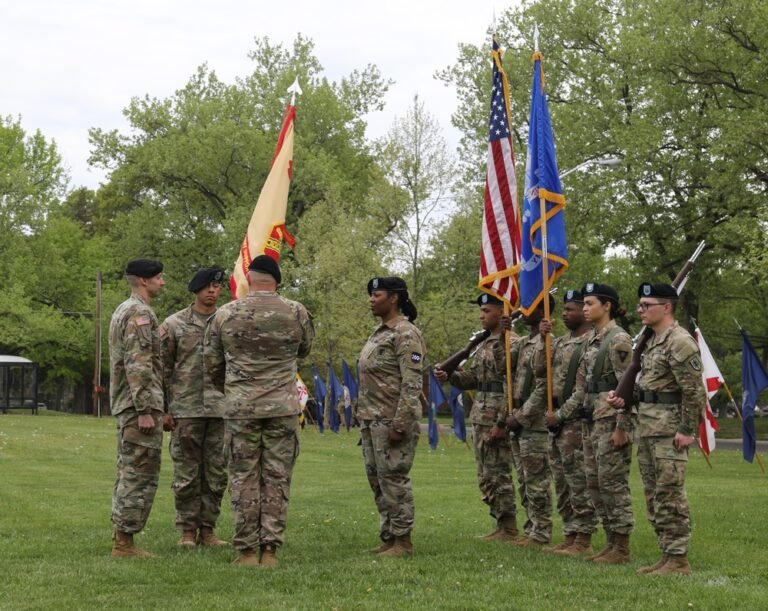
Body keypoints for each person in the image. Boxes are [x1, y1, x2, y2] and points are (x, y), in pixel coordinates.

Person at [205, 255, 314, 567]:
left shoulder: (225, 314)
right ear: (276, 280)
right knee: (277, 478)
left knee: (243, 478)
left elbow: (212, 364)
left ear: (249, 280)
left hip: (242, 408)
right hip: (282, 408)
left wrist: (233, 389)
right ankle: (270, 551)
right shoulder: (296, 312)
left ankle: (247, 552)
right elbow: (304, 350)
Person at [607, 282, 704, 575]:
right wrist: (623, 396)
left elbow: (694, 391)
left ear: (667, 307)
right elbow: (648, 387)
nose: (640, 310)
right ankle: (667, 555)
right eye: (640, 305)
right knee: (654, 495)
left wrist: (688, 429)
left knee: (670, 494)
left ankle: (678, 559)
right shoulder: (650, 342)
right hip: (648, 428)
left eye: (647, 305)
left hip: (669, 431)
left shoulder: (680, 342)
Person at [545, 282, 634, 564]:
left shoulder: (618, 339)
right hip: (590, 420)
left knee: (612, 484)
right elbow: (583, 388)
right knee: (595, 484)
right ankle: (610, 542)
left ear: (606, 305)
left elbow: (627, 387)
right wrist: (560, 416)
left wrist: (622, 427)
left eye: (589, 303)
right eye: (583, 304)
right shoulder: (592, 340)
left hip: (609, 422)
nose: (584, 308)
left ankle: (621, 546)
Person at [435, 294, 519, 541]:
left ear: (502, 312)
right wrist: (449, 375)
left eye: (486, 311)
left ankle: (509, 527)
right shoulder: (483, 343)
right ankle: (500, 523)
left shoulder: (510, 342)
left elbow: (512, 387)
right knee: (485, 474)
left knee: (498, 473)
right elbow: (474, 379)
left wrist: (502, 422)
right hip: (481, 415)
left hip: (495, 417)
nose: (482, 315)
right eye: (481, 311)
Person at [160, 267, 228, 548]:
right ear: (196, 290)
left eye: (216, 286)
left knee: (216, 474)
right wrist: (164, 408)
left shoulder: (228, 322)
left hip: (220, 409)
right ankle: (187, 530)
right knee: (186, 475)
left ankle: (208, 530)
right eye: (207, 287)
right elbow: (162, 369)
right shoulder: (174, 325)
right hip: (185, 409)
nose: (212, 291)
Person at [357, 276, 426, 558]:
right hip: (372, 419)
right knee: (378, 480)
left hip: (391, 420)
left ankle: (403, 540)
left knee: (393, 479)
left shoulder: (406, 334)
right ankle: (389, 536)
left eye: (378, 294)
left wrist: (401, 423)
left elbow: (412, 384)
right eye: (372, 294)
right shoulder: (379, 333)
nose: (372, 299)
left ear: (394, 298)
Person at [109, 258, 166, 558]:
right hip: (136, 407)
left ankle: (122, 538)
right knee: (138, 473)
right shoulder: (139, 313)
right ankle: (124, 543)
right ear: (143, 281)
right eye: (159, 278)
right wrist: (145, 408)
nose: (163, 282)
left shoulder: (124, 309)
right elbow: (139, 362)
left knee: (129, 469)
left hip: (128, 404)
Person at [535, 290, 596, 556]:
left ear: (583, 311)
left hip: (573, 420)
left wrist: (560, 416)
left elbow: (584, 389)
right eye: (564, 309)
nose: (563, 313)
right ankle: (570, 533)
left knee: (577, 479)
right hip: (555, 418)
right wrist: (542, 338)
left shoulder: (590, 343)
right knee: (561, 481)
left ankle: (584, 537)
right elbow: (538, 369)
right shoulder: (559, 342)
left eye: (570, 309)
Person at [504, 295, 554, 547]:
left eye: (530, 307)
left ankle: (542, 531)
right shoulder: (524, 343)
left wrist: (521, 417)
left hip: (533, 424)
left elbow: (544, 386)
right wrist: (506, 330)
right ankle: (531, 527)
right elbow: (504, 365)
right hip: (518, 419)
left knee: (537, 481)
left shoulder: (547, 344)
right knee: (524, 480)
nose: (524, 310)